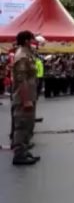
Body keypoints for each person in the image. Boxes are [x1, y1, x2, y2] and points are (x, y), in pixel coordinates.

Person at [11, 31, 40, 166]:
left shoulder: (27, 53)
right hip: (24, 96)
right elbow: (21, 80)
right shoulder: (22, 56)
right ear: (27, 41)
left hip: (30, 93)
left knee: (28, 124)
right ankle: (19, 154)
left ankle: (24, 150)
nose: (34, 43)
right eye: (32, 40)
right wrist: (26, 99)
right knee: (22, 125)